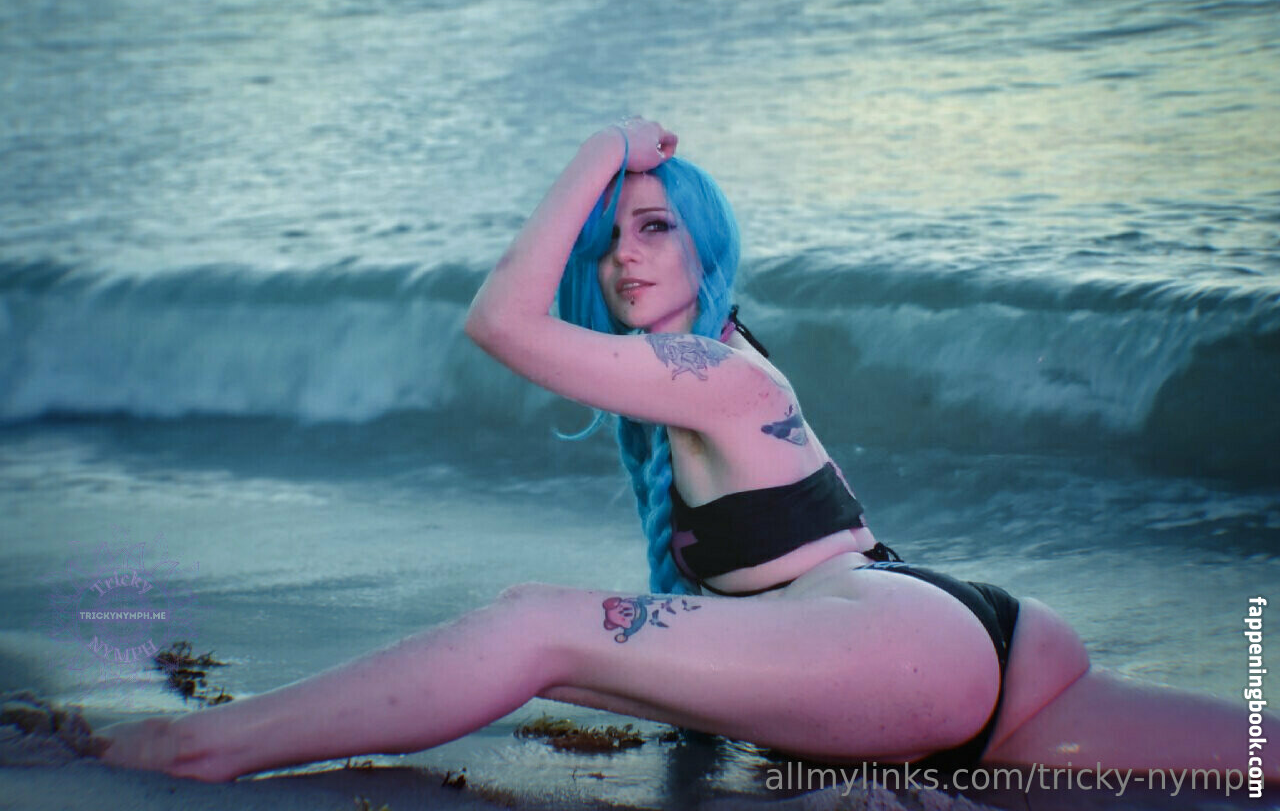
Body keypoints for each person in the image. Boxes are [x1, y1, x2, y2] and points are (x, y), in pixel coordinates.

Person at [95, 119, 1274, 785]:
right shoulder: (696, 380)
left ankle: (199, 746)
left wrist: (595, 153)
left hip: (912, 644)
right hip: (990, 659)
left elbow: (496, 321)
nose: (625, 256)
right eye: (607, 239)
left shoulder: (714, 371)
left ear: (706, 247)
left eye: (655, 228)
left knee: (533, 624)